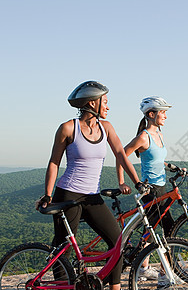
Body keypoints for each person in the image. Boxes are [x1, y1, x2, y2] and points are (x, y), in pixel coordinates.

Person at [36, 81, 141, 290]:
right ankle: (62, 286)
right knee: (63, 247)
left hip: (92, 196)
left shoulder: (107, 127)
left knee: (117, 241)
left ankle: (115, 287)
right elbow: (54, 162)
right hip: (68, 195)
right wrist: (48, 194)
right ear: (93, 103)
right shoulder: (68, 128)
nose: (108, 107)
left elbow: (121, 155)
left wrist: (137, 182)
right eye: (106, 102)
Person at [116, 96, 185, 286]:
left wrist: (172, 167)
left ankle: (144, 268)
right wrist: (122, 182)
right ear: (151, 114)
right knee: (166, 231)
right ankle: (164, 275)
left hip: (161, 188)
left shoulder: (159, 134)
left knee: (153, 229)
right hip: (150, 190)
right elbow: (121, 156)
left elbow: (155, 160)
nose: (165, 116)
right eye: (162, 112)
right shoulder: (143, 136)